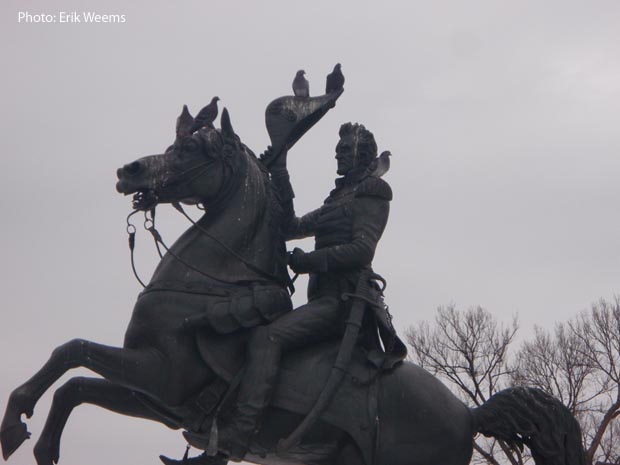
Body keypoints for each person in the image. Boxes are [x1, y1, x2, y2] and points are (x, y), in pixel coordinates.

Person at [189, 122, 402, 461]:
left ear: (363, 155)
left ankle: (237, 437)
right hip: (322, 298)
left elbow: (363, 249)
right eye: (337, 150)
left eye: (345, 150)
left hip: (343, 303)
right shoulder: (338, 197)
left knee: (268, 339)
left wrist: (309, 261)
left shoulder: (373, 190)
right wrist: (281, 172)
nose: (338, 155)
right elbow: (292, 226)